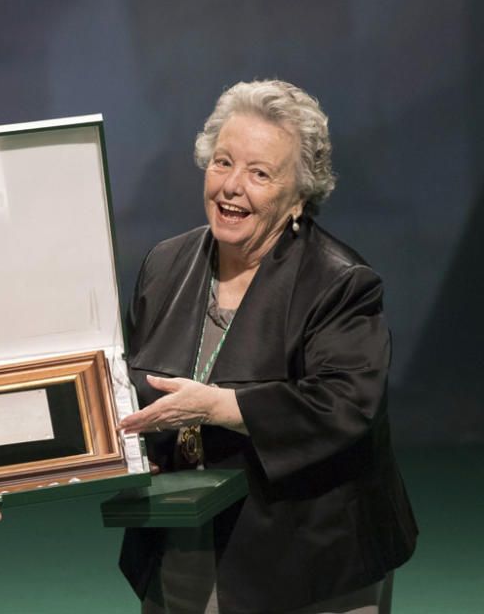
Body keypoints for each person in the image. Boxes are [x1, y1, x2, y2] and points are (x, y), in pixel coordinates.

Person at [116, 80, 417, 614]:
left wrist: (222, 408)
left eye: (259, 173)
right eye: (223, 162)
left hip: (308, 566)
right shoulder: (164, 265)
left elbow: (346, 405)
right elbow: (132, 384)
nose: (233, 187)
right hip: (183, 554)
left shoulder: (340, 282)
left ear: (299, 196)